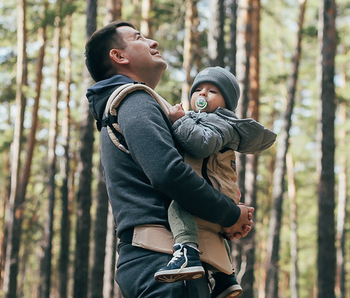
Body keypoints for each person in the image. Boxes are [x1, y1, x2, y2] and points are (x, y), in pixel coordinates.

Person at [85, 21, 254, 298]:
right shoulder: (134, 100)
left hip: (163, 263)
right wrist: (229, 213)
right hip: (162, 261)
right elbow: (168, 173)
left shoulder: (133, 104)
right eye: (139, 38)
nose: (154, 42)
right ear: (119, 56)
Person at [154, 66, 276, 298]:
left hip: (211, 188)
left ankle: (185, 253)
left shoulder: (221, 122)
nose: (202, 94)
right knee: (214, 232)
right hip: (219, 189)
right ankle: (225, 277)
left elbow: (202, 145)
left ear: (226, 104)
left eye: (212, 91)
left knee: (179, 207)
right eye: (198, 89)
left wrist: (180, 121)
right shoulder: (202, 119)